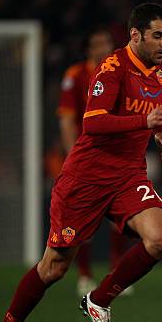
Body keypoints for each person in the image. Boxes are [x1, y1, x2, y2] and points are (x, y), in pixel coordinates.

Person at [0, 2, 162, 322]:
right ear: (135, 35)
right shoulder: (111, 68)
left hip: (128, 174)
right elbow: (93, 124)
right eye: (158, 35)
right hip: (86, 177)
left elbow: (145, 110)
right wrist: (146, 120)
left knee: (159, 239)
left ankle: (99, 299)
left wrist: (158, 133)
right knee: (54, 268)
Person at [57, 28, 133, 297]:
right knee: (83, 219)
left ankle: (116, 274)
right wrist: (72, 155)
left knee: (120, 216)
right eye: (97, 44)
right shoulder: (75, 76)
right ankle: (85, 276)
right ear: (89, 49)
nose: (103, 48)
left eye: (106, 43)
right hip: (87, 157)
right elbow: (67, 119)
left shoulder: (121, 71)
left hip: (116, 157)